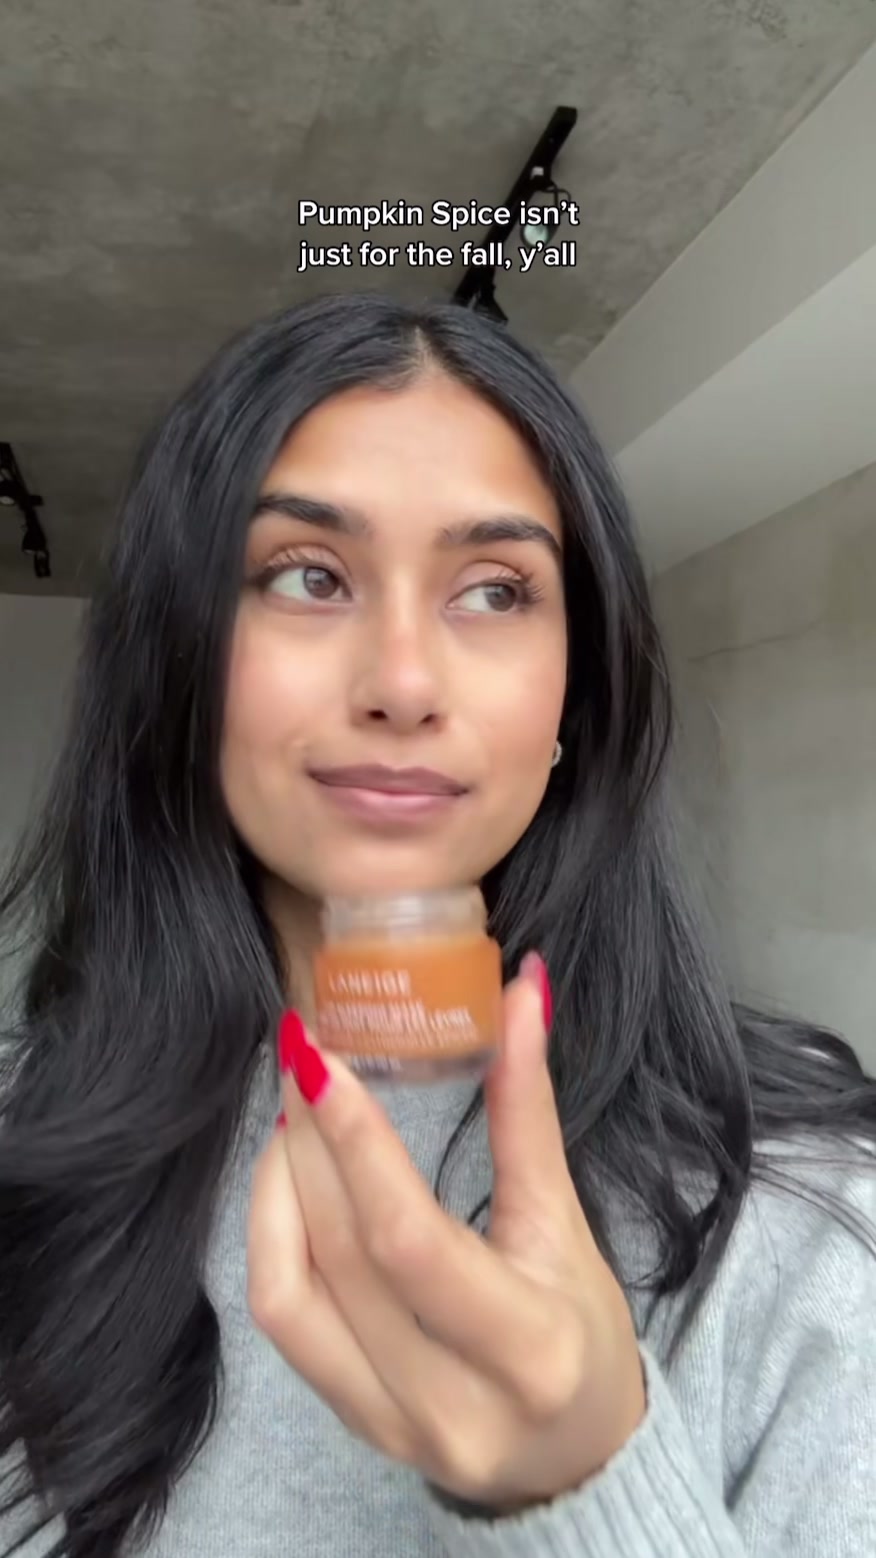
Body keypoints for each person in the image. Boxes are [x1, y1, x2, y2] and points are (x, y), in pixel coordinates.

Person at [0, 292, 873, 1558]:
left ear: (576, 690)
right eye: (308, 576)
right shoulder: (25, 1153)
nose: (404, 682)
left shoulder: (815, 1220)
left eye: (495, 591)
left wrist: (586, 1487)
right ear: (181, 663)